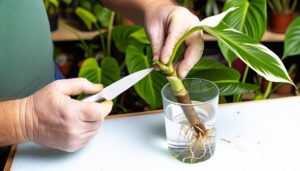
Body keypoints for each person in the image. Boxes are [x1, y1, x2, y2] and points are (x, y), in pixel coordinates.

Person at [0, 0, 203, 152]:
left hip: (49, 92)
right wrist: (23, 119)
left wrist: (154, 6)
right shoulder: (28, 119)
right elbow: (26, 119)